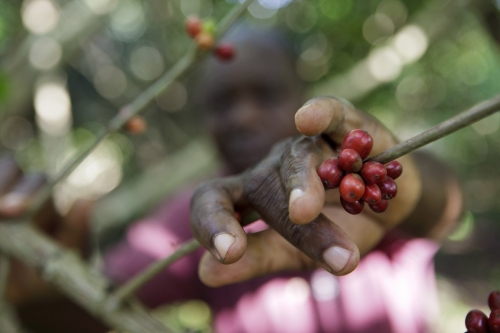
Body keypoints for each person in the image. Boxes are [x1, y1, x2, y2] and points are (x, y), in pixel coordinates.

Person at [1, 25, 462, 333]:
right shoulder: (200, 218)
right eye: (223, 103)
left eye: (265, 93)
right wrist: (44, 279)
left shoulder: (356, 174)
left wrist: (411, 187)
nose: (243, 116)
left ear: (302, 94)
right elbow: (87, 313)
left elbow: (440, 203)